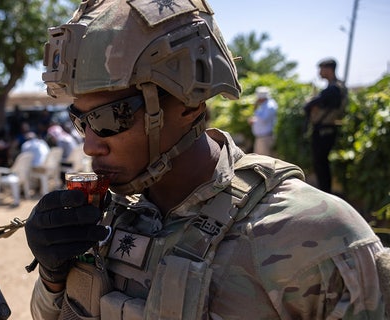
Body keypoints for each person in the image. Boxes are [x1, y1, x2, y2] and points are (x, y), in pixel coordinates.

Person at [24, 1, 388, 319]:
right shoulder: (100, 216)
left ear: (189, 104)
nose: (89, 146)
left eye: (108, 120)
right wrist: (53, 275)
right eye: (80, 121)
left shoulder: (312, 233)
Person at [304, 58, 348, 194]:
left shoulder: (334, 89)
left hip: (325, 131)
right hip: (324, 131)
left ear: (329, 70)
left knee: (321, 164)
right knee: (321, 164)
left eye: (321, 69)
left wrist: (311, 104)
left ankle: (325, 193)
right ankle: (325, 191)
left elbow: (308, 106)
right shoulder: (333, 88)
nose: (319, 73)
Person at [248, 86, 278, 156]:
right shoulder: (264, 105)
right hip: (262, 138)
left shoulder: (269, 105)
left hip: (265, 138)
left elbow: (264, 119)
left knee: (265, 161)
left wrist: (255, 109)